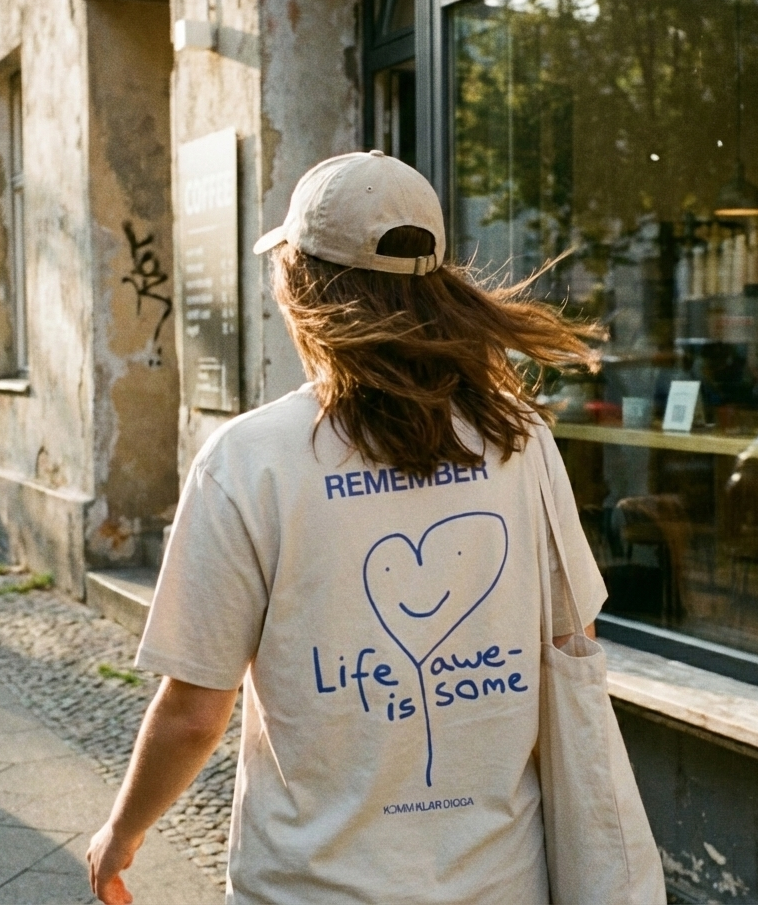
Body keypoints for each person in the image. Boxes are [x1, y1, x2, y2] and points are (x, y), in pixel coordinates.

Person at [87, 150, 606, 905]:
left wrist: (123, 832)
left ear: (299, 284)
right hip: (499, 880)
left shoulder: (250, 460)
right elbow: (568, 638)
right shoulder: (516, 439)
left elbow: (197, 713)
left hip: (311, 887)